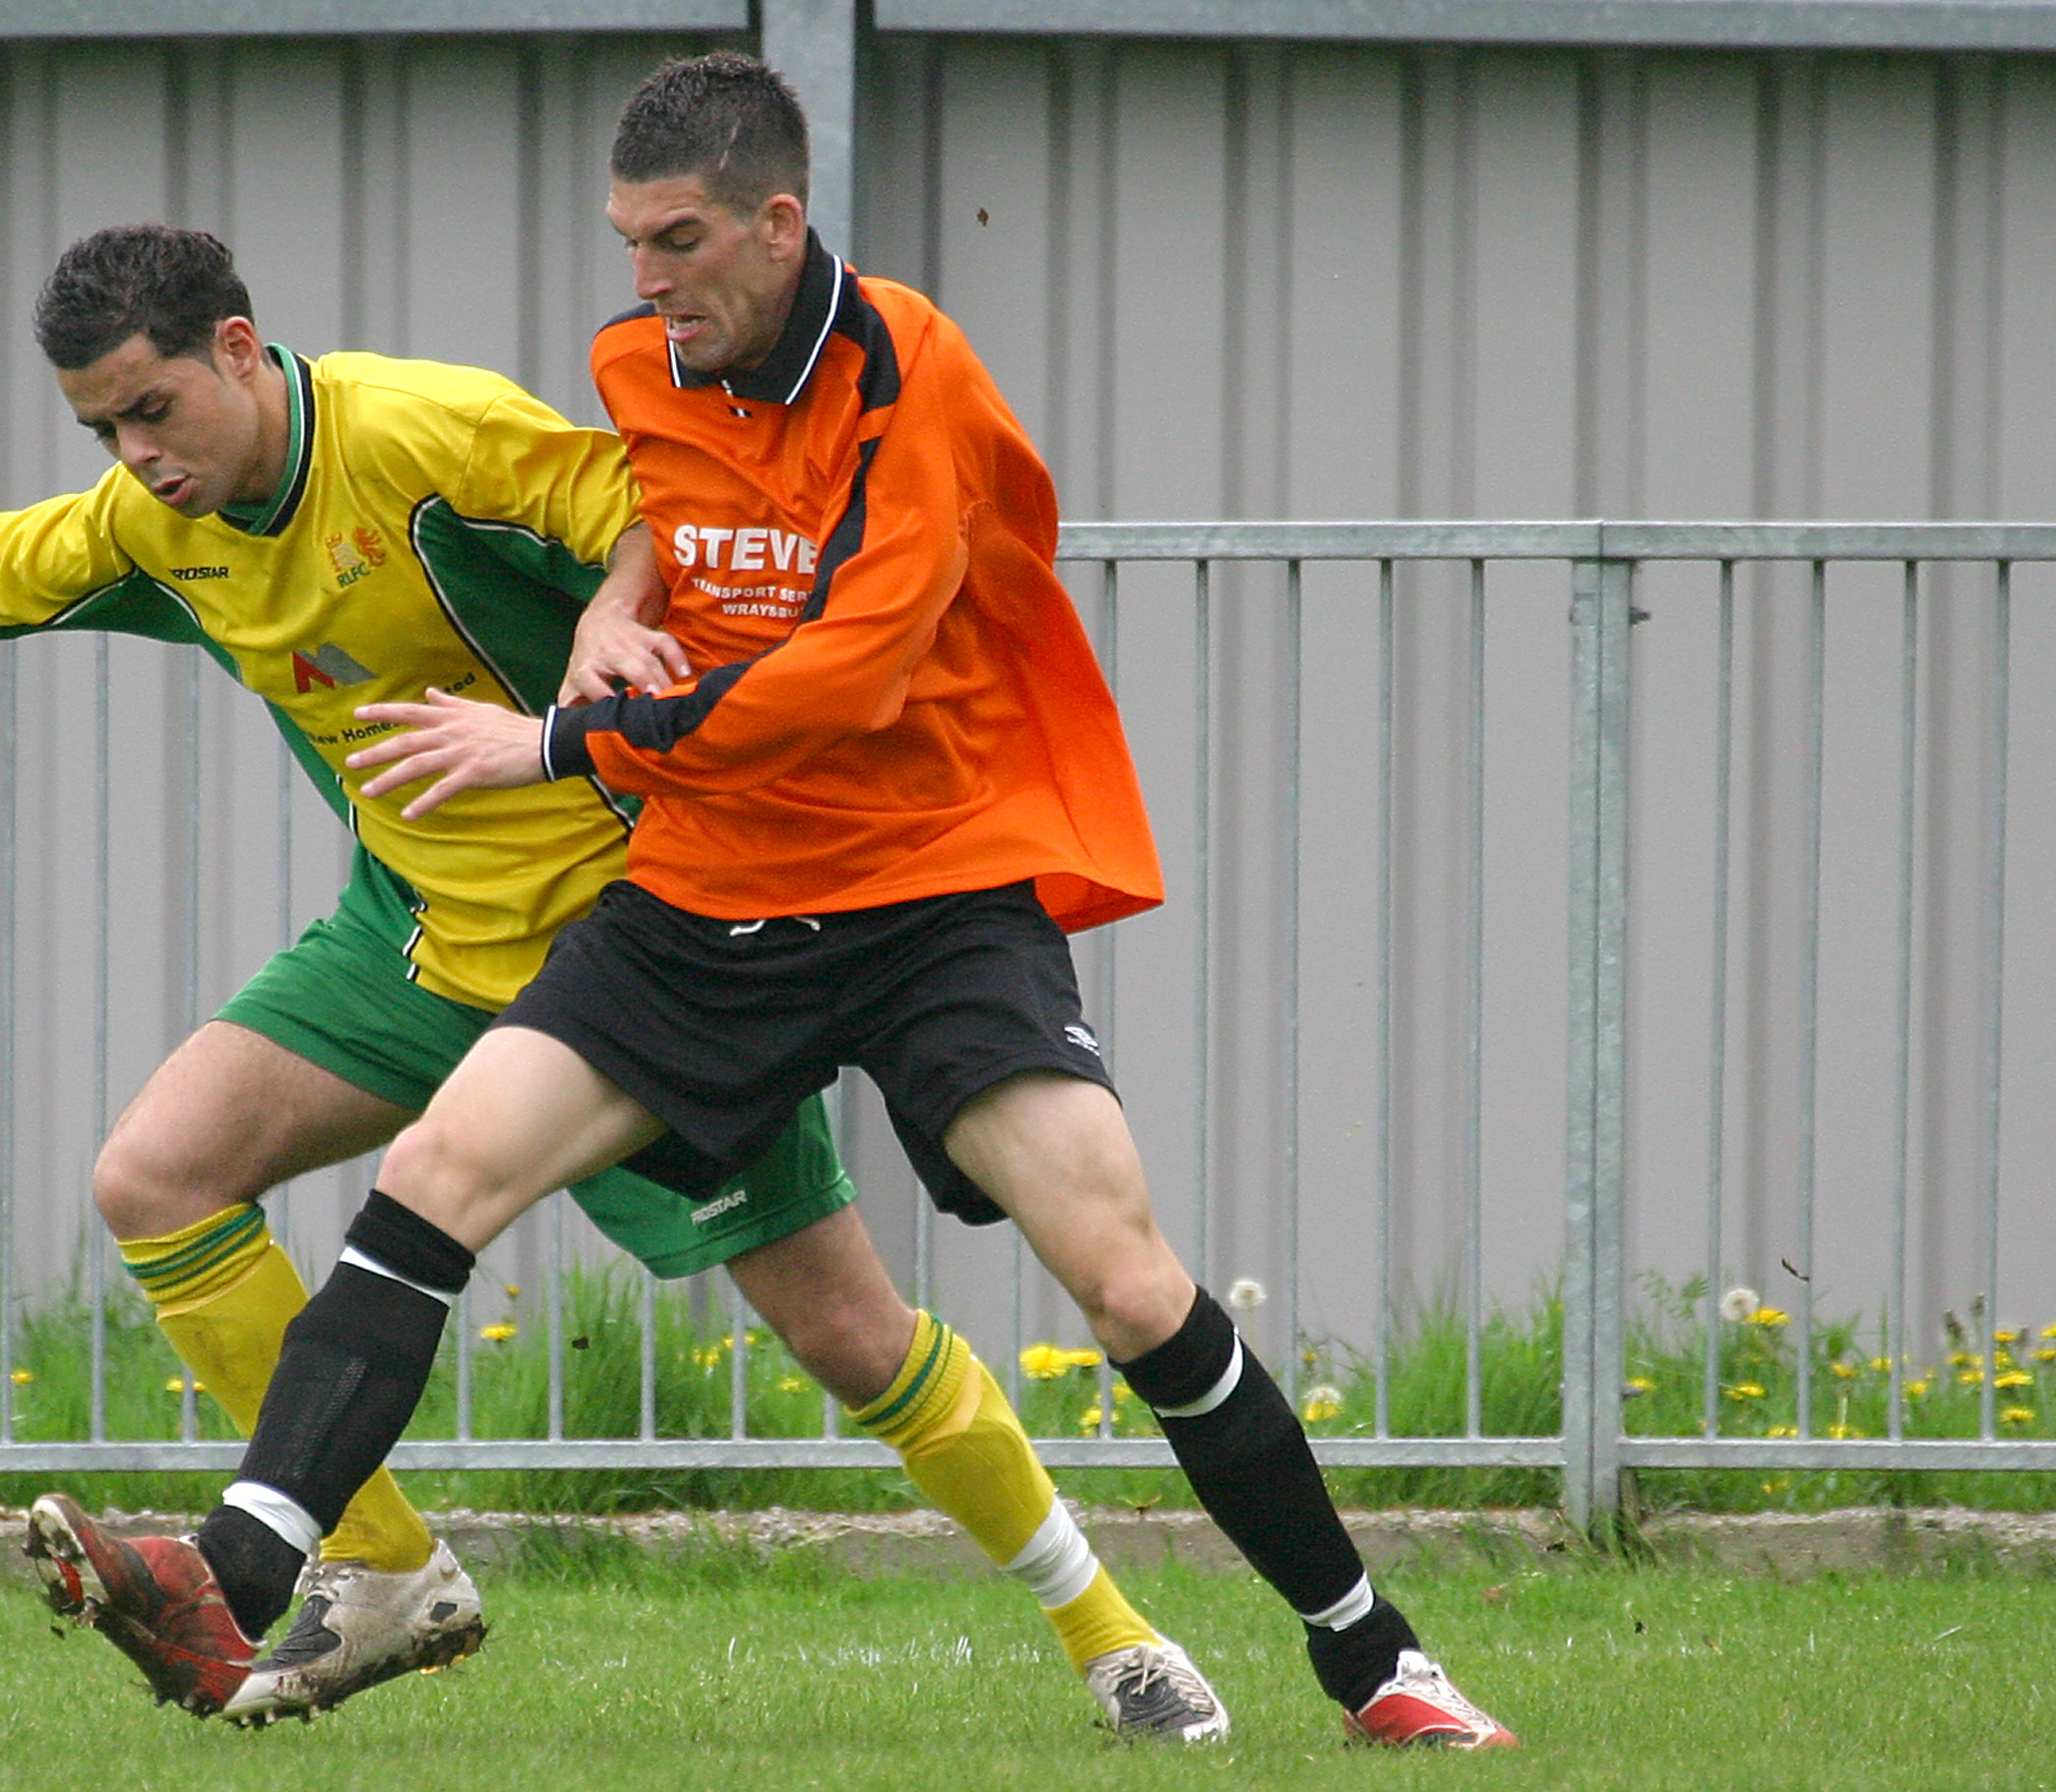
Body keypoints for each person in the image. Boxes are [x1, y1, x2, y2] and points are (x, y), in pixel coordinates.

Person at [0, 222, 1210, 1738]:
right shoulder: (152, 520)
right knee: (157, 1176)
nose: (134, 455)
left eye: (153, 409)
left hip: (639, 959)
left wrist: (609, 610)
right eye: (101, 427)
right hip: (420, 940)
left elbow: (663, 498)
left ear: (240, 352)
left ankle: (1110, 1630)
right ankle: (386, 1567)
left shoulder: (421, 435)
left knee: (852, 1340)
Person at [186, 57, 1518, 1750]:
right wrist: (619, 596)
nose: (646, 279)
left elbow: (849, 674)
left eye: (676, 240)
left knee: (1121, 1280)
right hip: (708, 896)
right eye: (626, 242)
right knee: (436, 1172)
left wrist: (564, 737)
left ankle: (1374, 1662)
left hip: (930, 893)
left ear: (777, 221)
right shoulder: (636, 363)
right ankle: (229, 1573)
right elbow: (672, 516)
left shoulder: (910, 372)